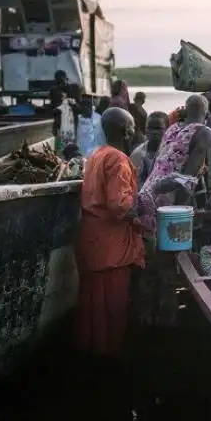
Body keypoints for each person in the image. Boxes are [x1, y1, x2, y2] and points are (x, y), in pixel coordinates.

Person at [75, 107, 143, 359]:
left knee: (92, 308)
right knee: (110, 308)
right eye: (134, 126)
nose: (136, 131)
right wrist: (144, 207)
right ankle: (110, 359)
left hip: (92, 240)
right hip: (111, 248)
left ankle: (91, 357)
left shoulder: (96, 154)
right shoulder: (118, 160)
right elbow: (119, 206)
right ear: (126, 131)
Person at [138, 95, 211, 237]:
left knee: (149, 243)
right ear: (207, 114)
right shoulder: (204, 132)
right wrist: (179, 214)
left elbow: (157, 164)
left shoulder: (172, 128)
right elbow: (187, 179)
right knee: (170, 244)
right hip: (167, 201)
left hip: (148, 192)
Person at [130, 111, 169, 186]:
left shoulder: (172, 154)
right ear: (145, 129)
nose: (154, 132)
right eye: (150, 128)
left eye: (158, 128)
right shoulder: (137, 155)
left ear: (167, 129)